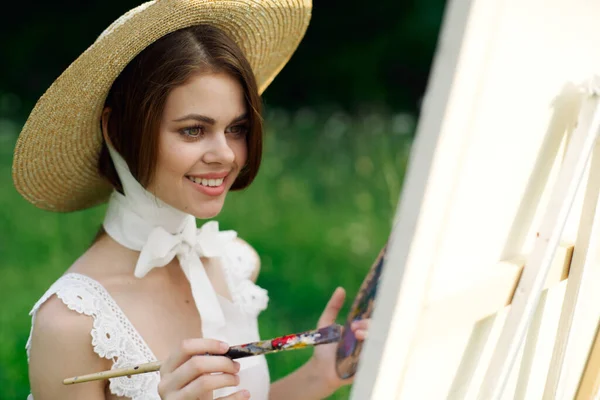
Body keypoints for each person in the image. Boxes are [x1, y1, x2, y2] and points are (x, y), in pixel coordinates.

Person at [12, 1, 369, 399]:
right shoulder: (72, 323)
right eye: (194, 130)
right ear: (117, 130)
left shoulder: (235, 263)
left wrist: (317, 378)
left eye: (236, 128)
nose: (227, 154)